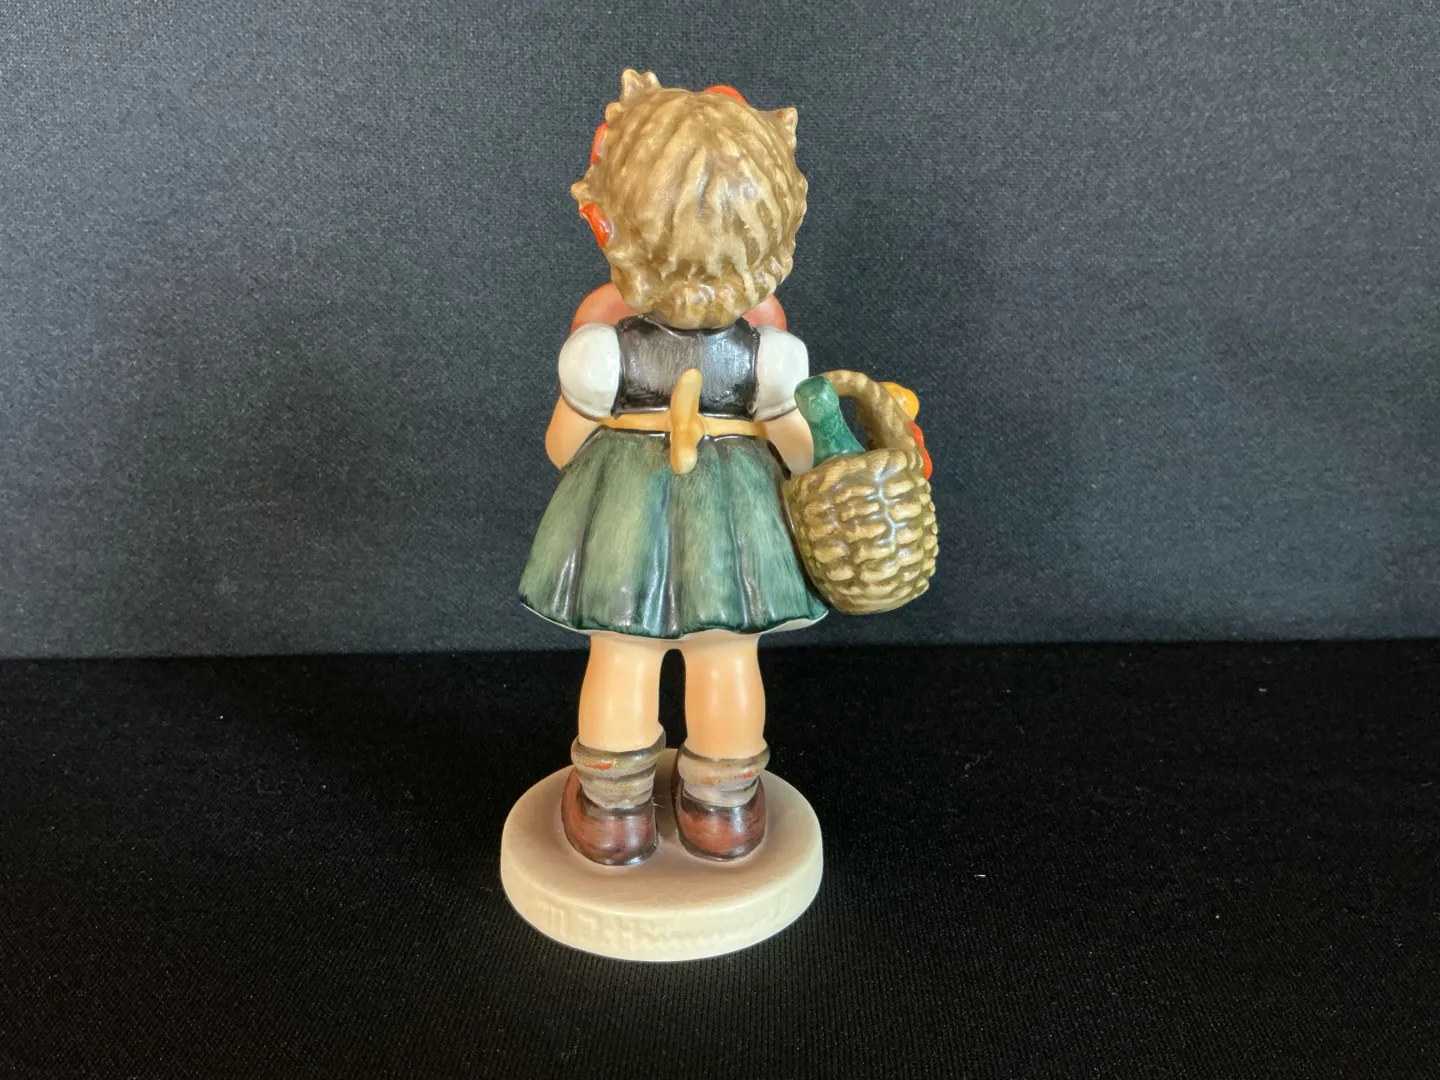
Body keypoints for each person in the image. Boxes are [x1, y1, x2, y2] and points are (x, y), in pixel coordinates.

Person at [519, 70, 824, 864]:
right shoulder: (770, 354)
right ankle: (722, 804)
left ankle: (614, 805)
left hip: (627, 503)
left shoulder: (602, 345)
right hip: (736, 510)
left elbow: (562, 446)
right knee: (728, 652)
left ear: (616, 223)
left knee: (624, 650)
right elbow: (800, 450)